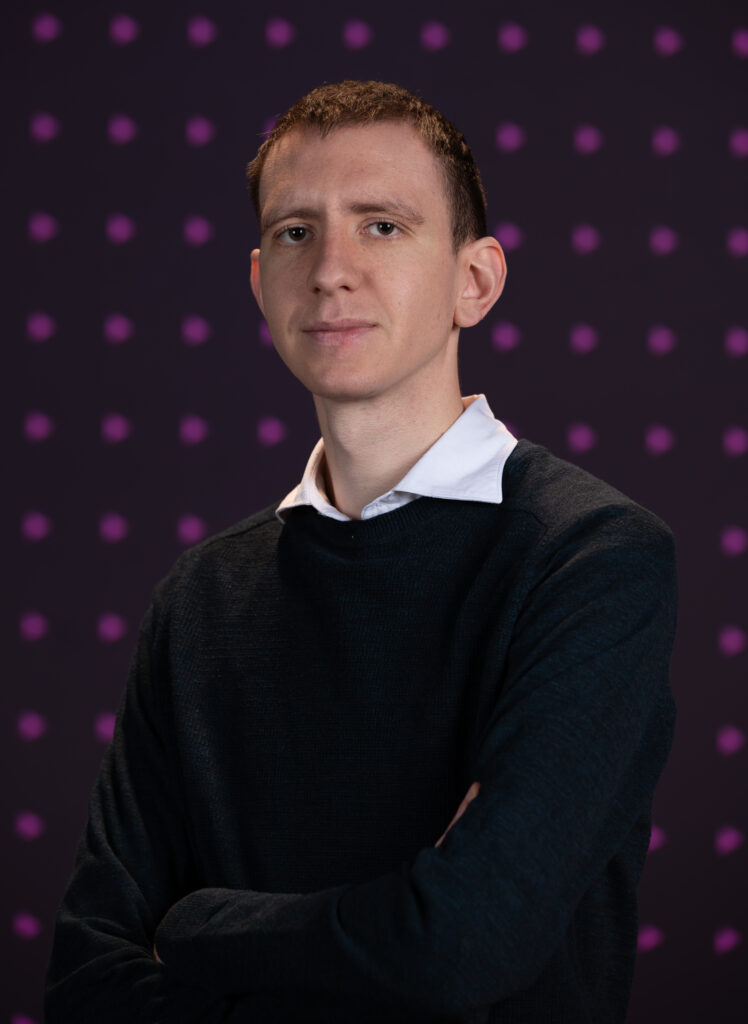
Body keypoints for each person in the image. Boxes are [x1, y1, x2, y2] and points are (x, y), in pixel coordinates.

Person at [45, 80, 678, 1023]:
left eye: (382, 226)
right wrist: (391, 931)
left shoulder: (590, 559)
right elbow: (85, 983)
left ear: (475, 282)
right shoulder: (201, 597)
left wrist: (198, 926)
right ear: (260, 284)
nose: (330, 269)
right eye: (296, 232)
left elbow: (463, 942)